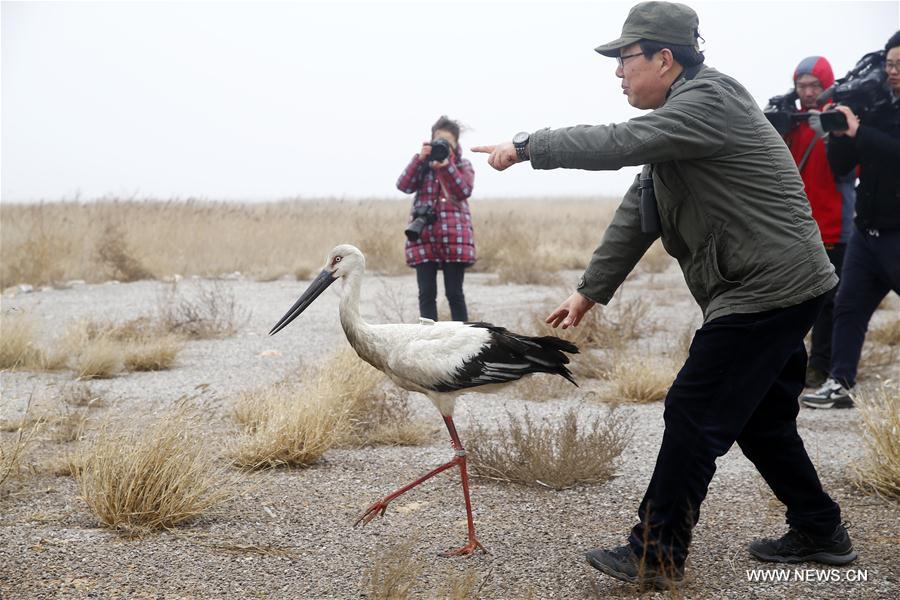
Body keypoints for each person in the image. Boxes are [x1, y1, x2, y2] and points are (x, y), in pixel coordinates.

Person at [473, 1, 855, 590]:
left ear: (665, 59)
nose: (618, 72)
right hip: (773, 287)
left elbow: (618, 142)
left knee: (693, 412)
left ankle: (656, 553)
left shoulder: (709, 102)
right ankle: (820, 529)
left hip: (764, 290)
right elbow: (639, 211)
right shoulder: (678, 123)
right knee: (761, 421)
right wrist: (589, 292)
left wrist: (528, 146)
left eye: (626, 59)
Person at [801, 31, 900, 409]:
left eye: (899, 65)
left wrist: (861, 131)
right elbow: (843, 167)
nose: (891, 71)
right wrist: (839, 134)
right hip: (866, 233)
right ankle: (839, 383)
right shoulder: (876, 107)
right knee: (847, 306)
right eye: (888, 64)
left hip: (897, 234)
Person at [785, 56, 856, 388]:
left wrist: (831, 135)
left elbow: (852, 170)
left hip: (832, 226)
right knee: (789, 299)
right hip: (794, 226)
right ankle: (789, 364)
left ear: (827, 85)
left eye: (815, 85)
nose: (809, 92)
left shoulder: (841, 119)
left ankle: (820, 365)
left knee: (830, 302)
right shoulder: (789, 120)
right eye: (802, 85)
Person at [396, 116, 476, 322]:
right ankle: (428, 342)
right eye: (439, 141)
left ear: (456, 145)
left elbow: (462, 191)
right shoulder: (422, 166)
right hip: (423, 236)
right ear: (430, 141)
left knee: (455, 294)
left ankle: (463, 344)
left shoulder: (463, 165)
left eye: (448, 142)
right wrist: (419, 160)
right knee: (426, 294)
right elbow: (403, 185)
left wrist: (446, 166)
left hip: (455, 238)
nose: (443, 145)